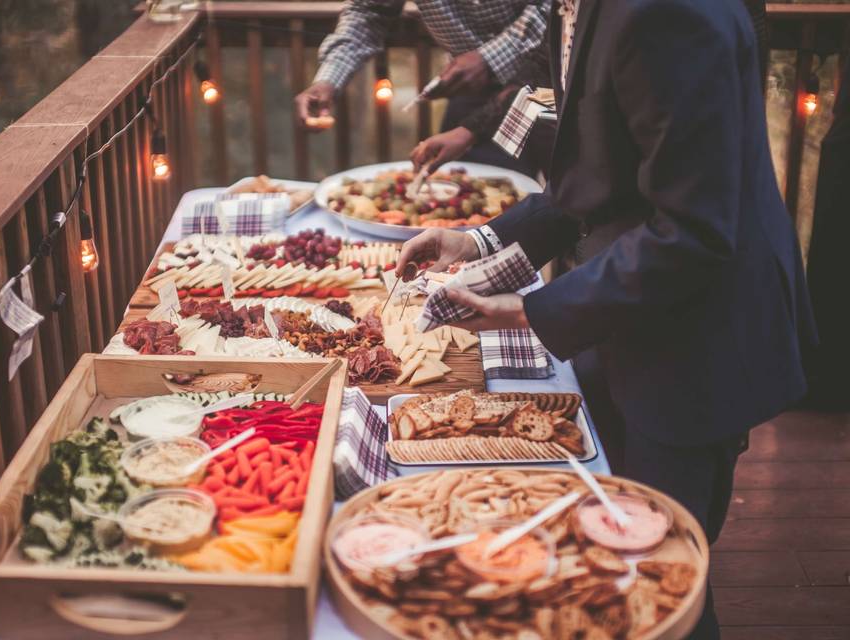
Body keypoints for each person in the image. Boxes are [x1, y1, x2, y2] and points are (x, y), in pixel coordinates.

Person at [397, 1, 816, 637]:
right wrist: (480, 243)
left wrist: (531, 309)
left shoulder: (668, 12)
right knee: (611, 562)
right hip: (628, 316)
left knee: (658, 585)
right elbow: (600, 175)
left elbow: (694, 232)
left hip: (698, 338)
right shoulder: (580, 8)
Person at [411, 0, 769, 178]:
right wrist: (471, 130)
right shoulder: (570, 9)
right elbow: (548, 83)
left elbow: (684, 217)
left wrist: (536, 309)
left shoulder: (667, 18)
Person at [295, 0, 551, 169]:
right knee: (481, 204)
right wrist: (328, 78)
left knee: (571, 202)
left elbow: (555, 7)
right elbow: (368, 11)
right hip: (472, 91)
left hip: (557, 84)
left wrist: (489, 59)